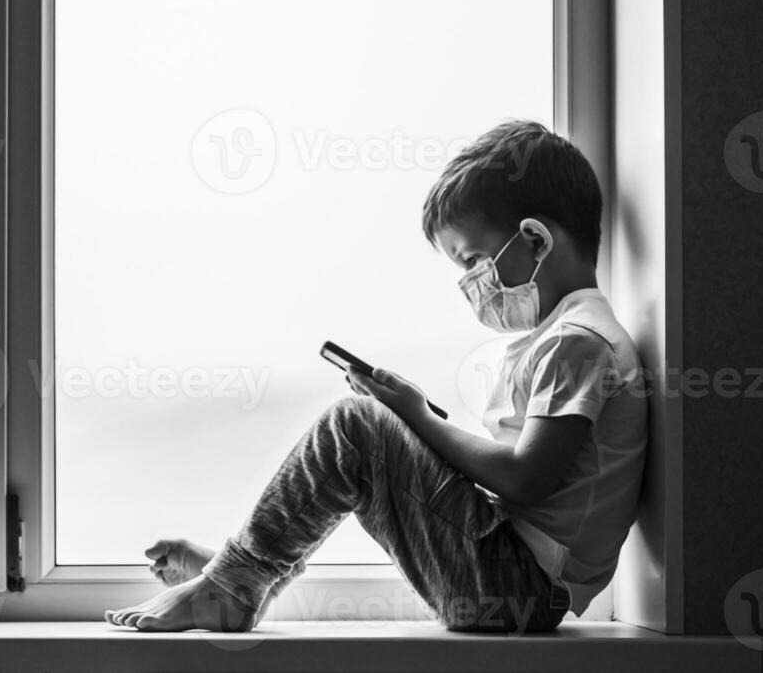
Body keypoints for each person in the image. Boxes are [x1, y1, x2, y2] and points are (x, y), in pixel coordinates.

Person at [104, 120, 647, 633]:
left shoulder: (578, 341)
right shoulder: (569, 335)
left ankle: (237, 579)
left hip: (519, 586)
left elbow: (527, 479)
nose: (472, 284)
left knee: (354, 427)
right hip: (515, 579)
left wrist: (414, 419)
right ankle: (247, 569)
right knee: (377, 427)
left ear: (535, 240)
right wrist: (416, 426)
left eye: (474, 260)